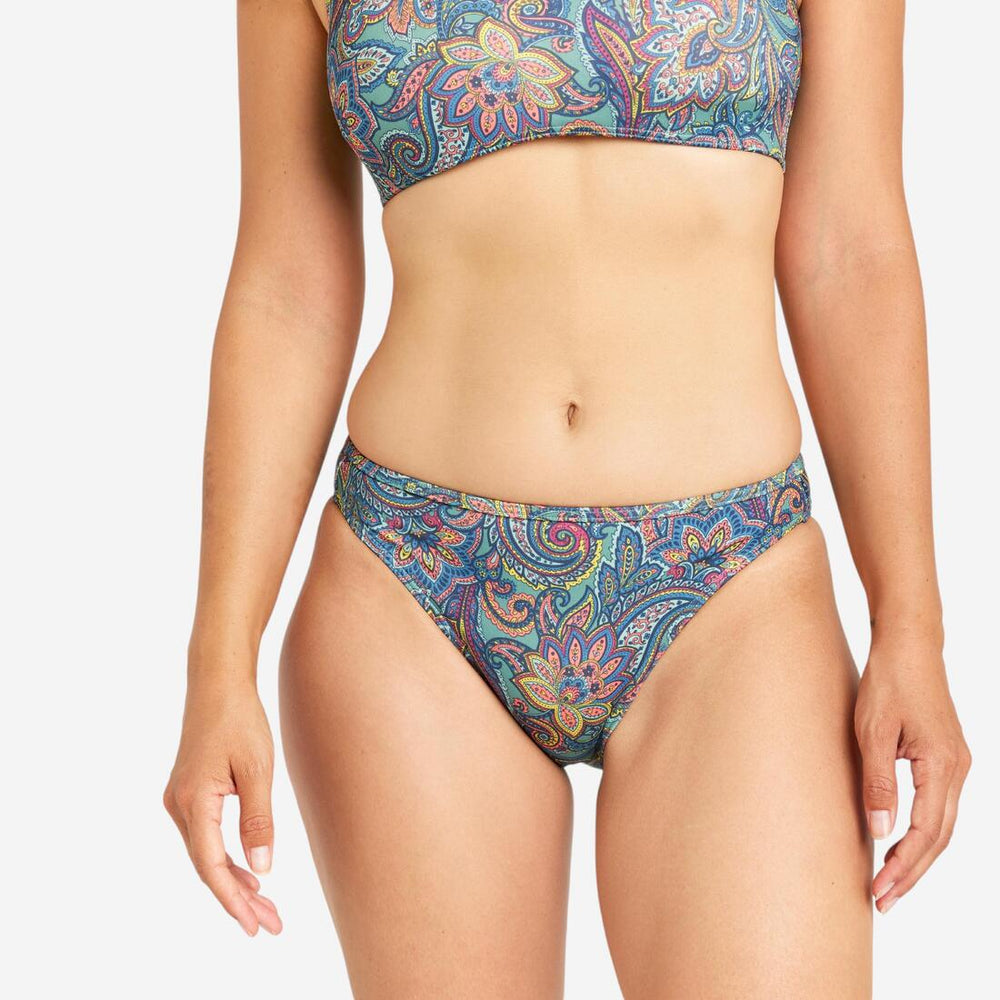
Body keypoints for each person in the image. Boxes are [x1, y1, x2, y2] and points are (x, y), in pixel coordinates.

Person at [164, 0, 972, 995]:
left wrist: (911, 626)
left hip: (733, 581)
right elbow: (288, 286)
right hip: (410, 581)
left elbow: (852, 252)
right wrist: (218, 662)